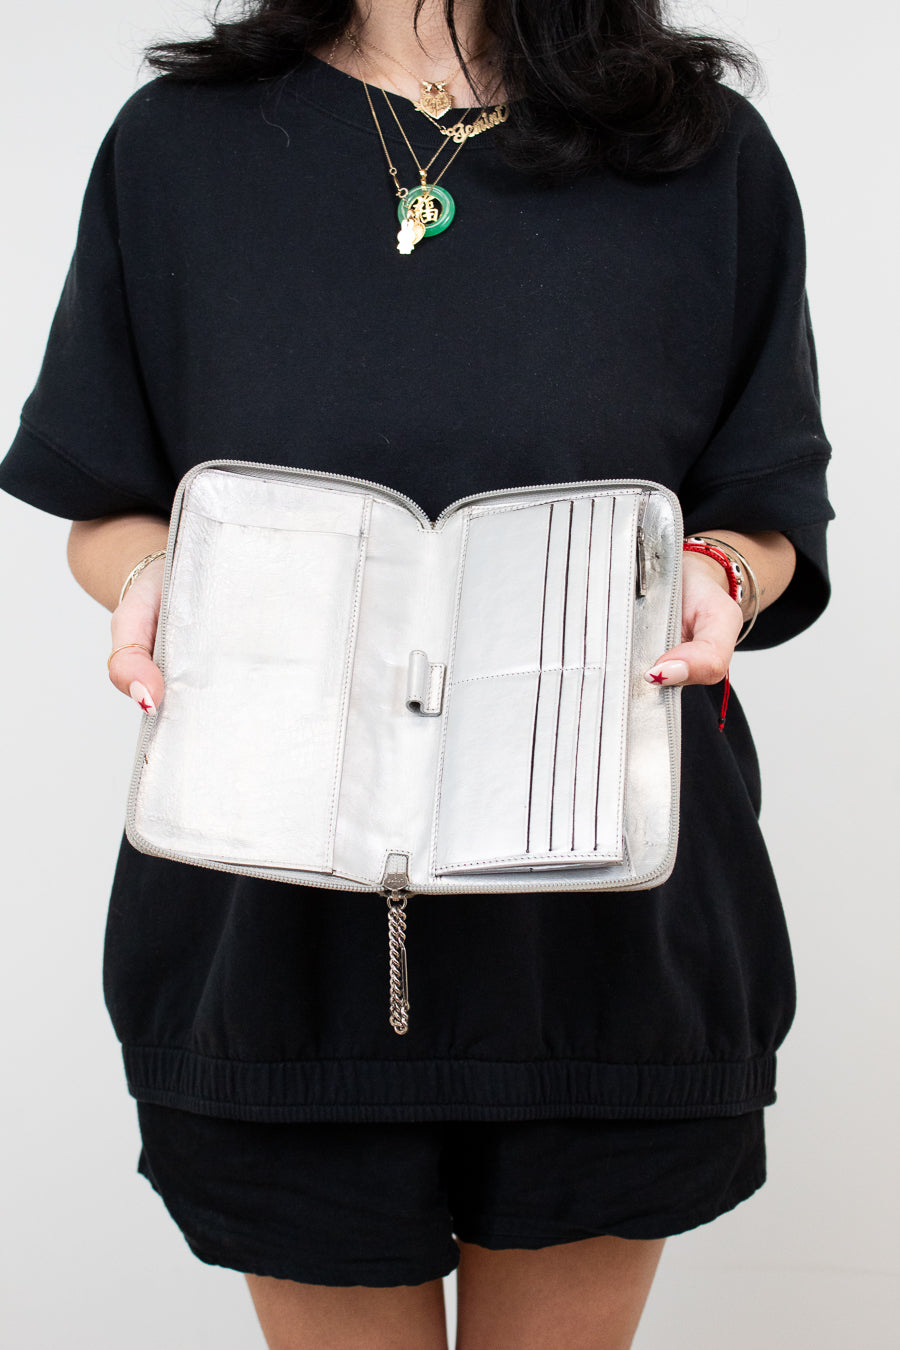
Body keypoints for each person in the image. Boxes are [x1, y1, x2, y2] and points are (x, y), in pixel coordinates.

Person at [0, 1, 833, 1346]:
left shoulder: (698, 150)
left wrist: (723, 569)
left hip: (602, 922)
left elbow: (769, 502)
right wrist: (157, 576)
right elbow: (106, 500)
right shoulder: (178, 147)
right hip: (272, 919)